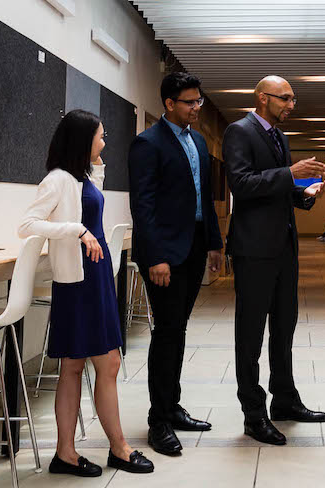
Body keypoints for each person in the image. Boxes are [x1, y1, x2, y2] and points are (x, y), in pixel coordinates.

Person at [19, 109, 153, 477]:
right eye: (100, 136)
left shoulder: (83, 176)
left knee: (88, 365)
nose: (105, 142)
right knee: (91, 364)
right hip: (77, 283)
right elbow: (27, 224)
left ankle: (77, 452)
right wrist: (76, 230)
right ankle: (113, 449)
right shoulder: (59, 180)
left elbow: (90, 197)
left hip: (94, 278)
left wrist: (95, 165)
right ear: (82, 141)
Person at [223, 75, 325, 445]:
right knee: (250, 334)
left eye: (292, 99)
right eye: (284, 99)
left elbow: (280, 192)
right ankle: (253, 414)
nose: (290, 105)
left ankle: (284, 400)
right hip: (253, 248)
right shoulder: (239, 132)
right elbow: (241, 184)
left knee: (284, 327)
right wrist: (290, 173)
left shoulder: (280, 137)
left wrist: (307, 192)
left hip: (284, 247)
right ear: (262, 97)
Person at [128, 72, 223, 456]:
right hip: (166, 254)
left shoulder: (198, 141)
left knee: (178, 329)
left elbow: (205, 198)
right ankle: (159, 421)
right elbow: (143, 206)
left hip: (196, 247)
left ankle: (172, 405)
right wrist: (156, 257)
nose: (197, 108)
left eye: (199, 101)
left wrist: (215, 244)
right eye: (189, 102)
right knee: (167, 331)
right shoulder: (147, 144)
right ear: (169, 104)